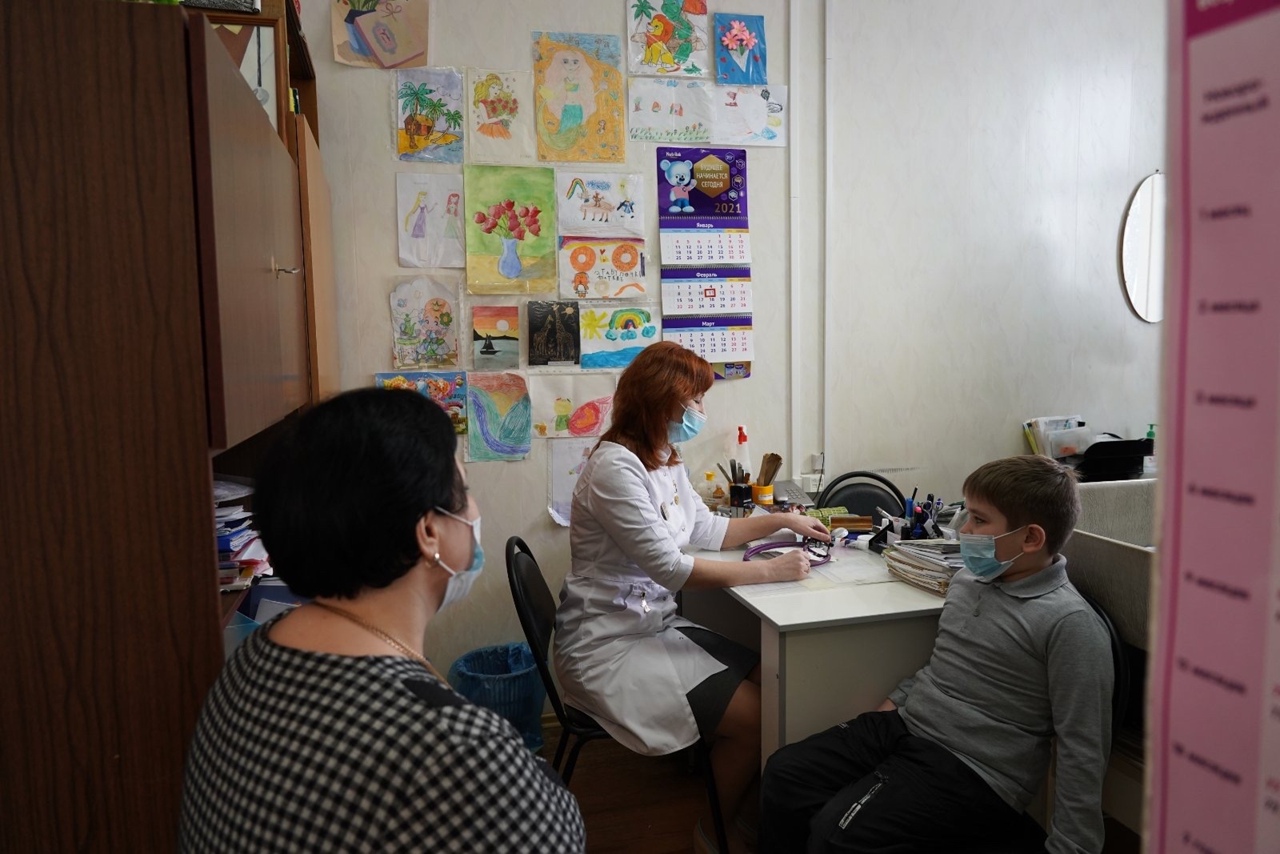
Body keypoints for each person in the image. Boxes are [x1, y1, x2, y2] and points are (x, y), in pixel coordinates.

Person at [179, 388, 585, 853]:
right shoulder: (455, 749)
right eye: (466, 491)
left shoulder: (252, 656)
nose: (474, 512)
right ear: (429, 531)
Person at [553, 341, 830, 854]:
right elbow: (671, 568)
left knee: (776, 682)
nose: (702, 411)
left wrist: (783, 522)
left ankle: (751, 817)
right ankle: (711, 834)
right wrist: (769, 571)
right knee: (759, 719)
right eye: (696, 400)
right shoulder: (615, 469)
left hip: (649, 624)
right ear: (664, 399)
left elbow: (707, 529)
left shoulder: (663, 459)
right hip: (606, 644)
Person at [760, 455, 1113, 854]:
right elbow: (948, 660)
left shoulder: (1070, 624)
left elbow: (1083, 749)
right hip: (909, 725)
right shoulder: (967, 580)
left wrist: (1072, 846)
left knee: (836, 835)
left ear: (1031, 538)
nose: (963, 530)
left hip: (974, 767)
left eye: (978, 520)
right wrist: (898, 699)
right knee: (785, 774)